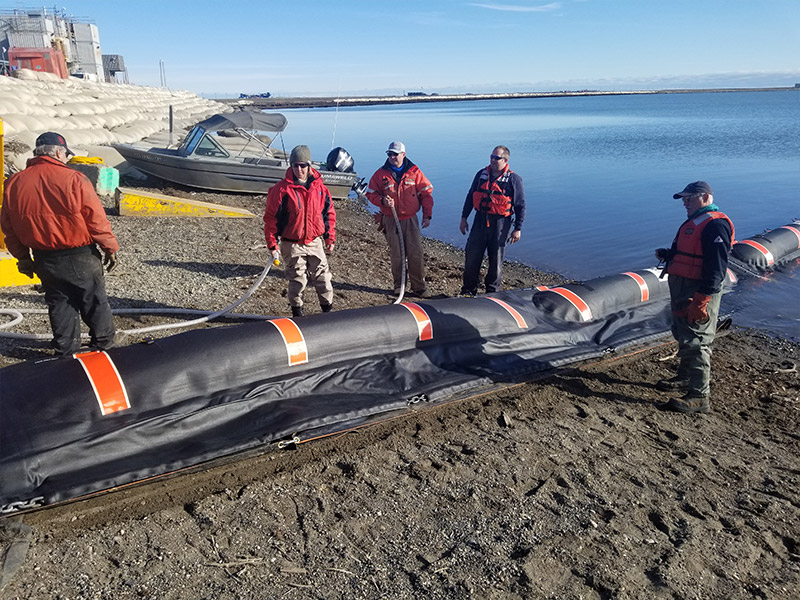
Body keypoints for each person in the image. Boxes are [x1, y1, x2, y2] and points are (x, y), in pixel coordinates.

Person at [1, 131, 119, 357]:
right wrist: (109, 247)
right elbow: (96, 219)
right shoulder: (75, 179)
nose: (66, 158)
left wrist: (23, 258)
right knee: (93, 301)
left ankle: (65, 353)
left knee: (59, 303)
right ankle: (104, 348)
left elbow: (9, 227)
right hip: (79, 254)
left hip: (45, 258)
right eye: (66, 154)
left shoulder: (14, 183)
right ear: (58, 152)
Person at [654, 181, 734, 414]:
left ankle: (699, 396)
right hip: (683, 288)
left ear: (705, 197)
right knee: (682, 332)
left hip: (698, 291)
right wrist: (669, 255)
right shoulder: (698, 221)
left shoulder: (715, 225)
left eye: (690, 198)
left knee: (697, 339)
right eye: (683, 199)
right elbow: (693, 253)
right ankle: (685, 376)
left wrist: (702, 300)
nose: (685, 203)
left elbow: (716, 267)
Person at [264, 145, 336, 317]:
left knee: (323, 279)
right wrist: (272, 245)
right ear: (291, 166)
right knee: (297, 280)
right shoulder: (281, 190)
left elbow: (328, 214)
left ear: (309, 166)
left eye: (303, 165)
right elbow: (271, 219)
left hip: (314, 242)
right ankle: (298, 315)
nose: (299, 169)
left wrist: (329, 238)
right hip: (292, 243)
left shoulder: (320, 188)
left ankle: (328, 313)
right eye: (295, 165)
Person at [366, 141, 434, 298]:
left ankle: (419, 287)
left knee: (415, 253)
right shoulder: (381, 174)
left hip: (410, 219)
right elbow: (370, 193)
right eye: (389, 154)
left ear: (403, 154)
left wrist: (427, 215)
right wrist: (382, 201)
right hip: (391, 219)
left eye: (395, 154)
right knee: (397, 254)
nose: (392, 157)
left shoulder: (414, 172)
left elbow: (426, 193)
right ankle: (399, 286)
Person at [459, 145, 525, 296]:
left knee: (496, 262)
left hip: (500, 224)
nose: (493, 160)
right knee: (472, 257)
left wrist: (517, 228)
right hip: (480, 220)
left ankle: (492, 293)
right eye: (491, 157)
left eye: (497, 158)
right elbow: (470, 197)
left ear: (505, 160)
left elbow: (520, 205)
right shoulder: (481, 174)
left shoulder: (514, 179)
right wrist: (464, 218)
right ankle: (468, 291)